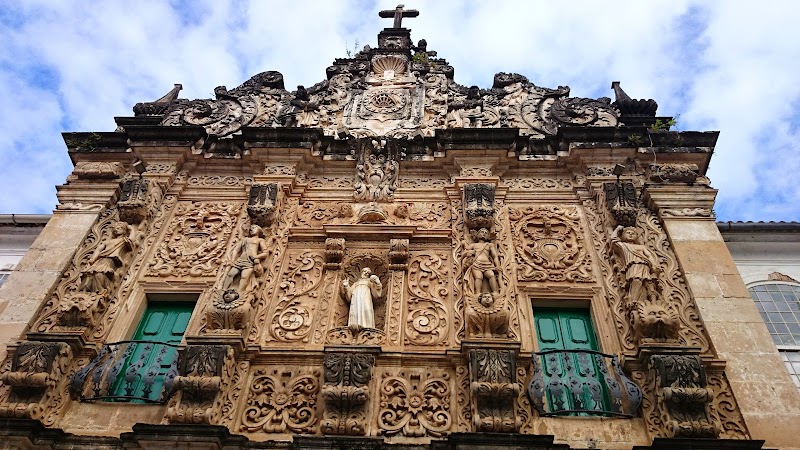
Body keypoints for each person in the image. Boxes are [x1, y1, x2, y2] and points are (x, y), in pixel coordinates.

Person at [611, 225, 661, 305]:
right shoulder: (624, 246)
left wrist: (654, 264)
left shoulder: (641, 247)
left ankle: (653, 302)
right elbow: (613, 240)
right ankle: (634, 301)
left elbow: (649, 255)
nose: (630, 234)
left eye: (633, 233)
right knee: (636, 281)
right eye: (628, 233)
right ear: (623, 235)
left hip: (644, 265)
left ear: (636, 237)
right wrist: (617, 229)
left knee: (649, 283)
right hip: (633, 266)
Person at [80, 221, 134, 293]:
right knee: (89, 274)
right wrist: (93, 258)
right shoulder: (108, 242)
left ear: (124, 230)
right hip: (101, 259)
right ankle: (86, 290)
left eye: (119, 228)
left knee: (99, 274)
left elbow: (131, 240)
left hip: (110, 260)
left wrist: (132, 229)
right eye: (116, 228)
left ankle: (100, 290)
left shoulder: (123, 241)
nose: (117, 229)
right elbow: (99, 249)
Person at [222, 224, 271, 293]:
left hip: (250, 261)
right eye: (250, 228)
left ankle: (239, 292)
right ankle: (223, 290)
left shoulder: (260, 240)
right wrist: (232, 260)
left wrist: (256, 257)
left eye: (254, 228)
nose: (251, 229)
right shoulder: (245, 239)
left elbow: (265, 253)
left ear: (259, 230)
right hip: (240, 260)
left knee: (244, 277)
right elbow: (236, 249)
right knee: (230, 274)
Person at [341, 267, 382, 331]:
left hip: (366, 299)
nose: (366, 273)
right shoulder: (356, 283)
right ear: (361, 272)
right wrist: (346, 286)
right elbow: (349, 295)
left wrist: (377, 282)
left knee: (367, 309)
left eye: (368, 273)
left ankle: (368, 327)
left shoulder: (369, 282)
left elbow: (377, 292)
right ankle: (354, 327)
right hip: (355, 299)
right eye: (365, 271)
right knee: (355, 311)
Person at [464, 228, 501, 296]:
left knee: (491, 275)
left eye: (486, 233)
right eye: (481, 232)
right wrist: (468, 253)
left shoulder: (489, 245)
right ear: (477, 235)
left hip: (487, 264)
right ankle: (478, 293)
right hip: (476, 263)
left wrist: (497, 265)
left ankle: (495, 292)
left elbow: (495, 256)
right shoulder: (473, 245)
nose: (483, 233)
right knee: (478, 277)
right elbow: (464, 253)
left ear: (488, 236)